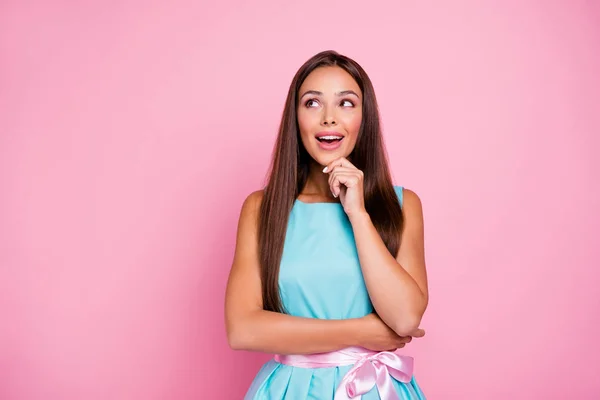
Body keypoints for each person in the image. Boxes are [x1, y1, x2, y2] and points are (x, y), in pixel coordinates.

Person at [225, 50, 429, 399]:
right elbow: (243, 329)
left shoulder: (402, 205)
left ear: (364, 119)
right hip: (291, 390)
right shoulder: (262, 210)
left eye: (346, 103)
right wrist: (361, 331)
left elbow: (406, 318)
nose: (329, 119)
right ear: (296, 117)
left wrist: (358, 213)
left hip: (376, 391)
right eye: (313, 103)